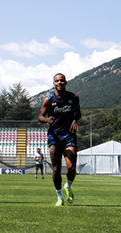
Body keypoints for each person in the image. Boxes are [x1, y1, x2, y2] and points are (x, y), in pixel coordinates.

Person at [38, 73, 81, 206]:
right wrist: (46, 119)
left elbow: (78, 113)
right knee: (56, 169)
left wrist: (75, 120)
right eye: (57, 81)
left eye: (62, 80)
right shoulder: (49, 99)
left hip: (69, 136)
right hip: (54, 137)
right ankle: (59, 196)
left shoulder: (73, 97)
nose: (60, 82)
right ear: (53, 83)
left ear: (66, 82)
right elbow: (40, 116)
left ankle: (68, 186)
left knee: (71, 167)